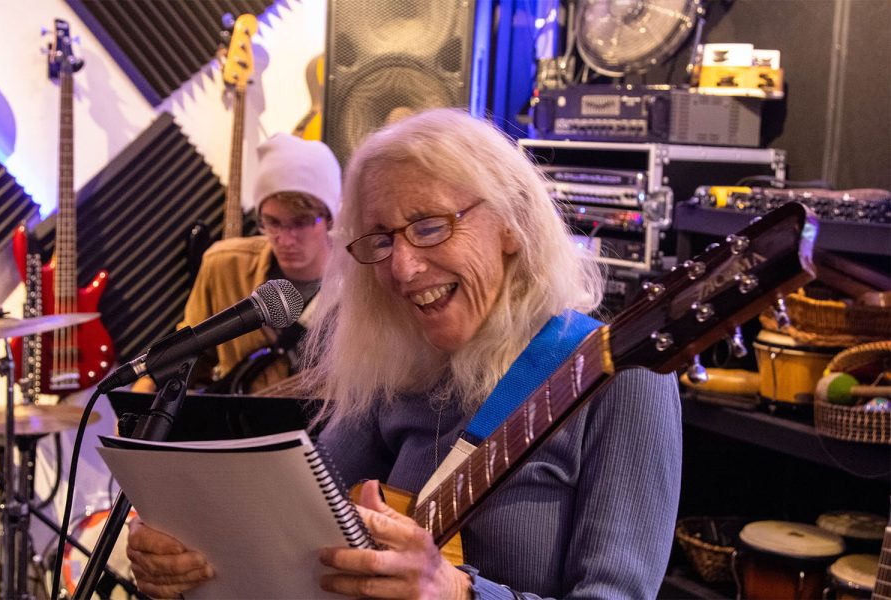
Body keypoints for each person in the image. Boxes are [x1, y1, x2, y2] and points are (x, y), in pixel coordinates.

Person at [125, 108, 682, 599]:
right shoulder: (396, 370)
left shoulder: (621, 377)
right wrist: (190, 560)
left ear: (512, 222)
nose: (402, 268)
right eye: (384, 239)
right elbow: (293, 536)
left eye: (431, 226)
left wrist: (460, 595)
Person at [132, 133, 341, 393]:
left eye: (300, 222)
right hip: (240, 429)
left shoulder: (364, 282)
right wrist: (148, 388)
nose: (285, 240)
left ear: (331, 218)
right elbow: (191, 354)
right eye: (273, 223)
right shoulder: (224, 265)